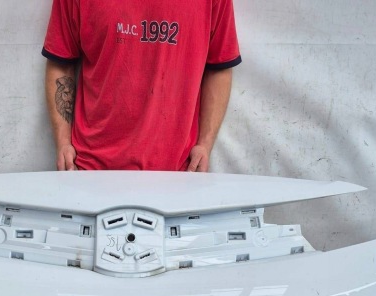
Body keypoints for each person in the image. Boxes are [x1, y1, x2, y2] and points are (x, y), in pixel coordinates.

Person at [42, 0, 241, 172]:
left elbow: (219, 65)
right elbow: (61, 62)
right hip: (91, 169)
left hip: (177, 173)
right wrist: (63, 142)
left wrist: (205, 144)